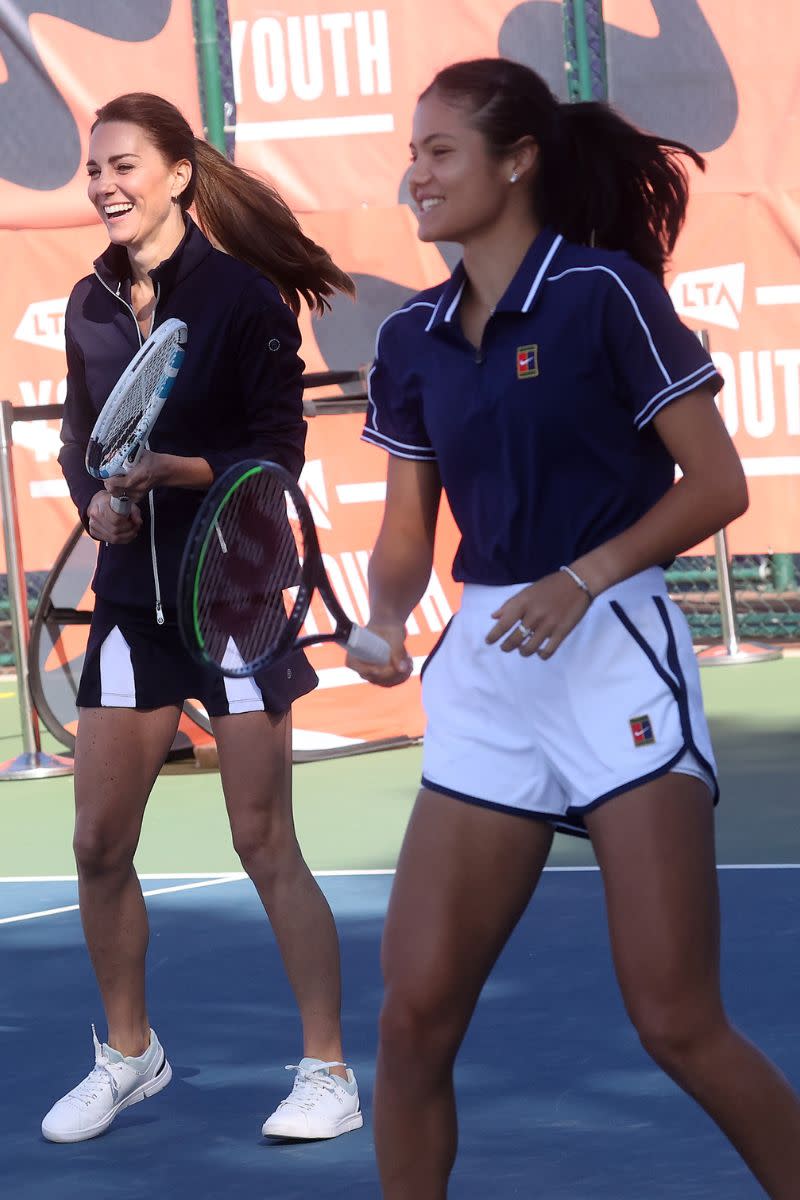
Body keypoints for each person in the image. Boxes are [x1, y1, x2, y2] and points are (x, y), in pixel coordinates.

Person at [348, 57, 800, 1199]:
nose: (416, 175)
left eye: (439, 151)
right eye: (411, 153)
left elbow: (715, 485)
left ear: (517, 160)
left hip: (614, 658)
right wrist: (384, 616)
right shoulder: (410, 338)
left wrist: (582, 577)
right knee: (410, 1023)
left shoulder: (603, 294)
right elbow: (408, 529)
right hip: (488, 683)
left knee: (673, 1020)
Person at [42, 92, 363, 1145]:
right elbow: (82, 441)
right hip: (132, 606)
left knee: (261, 836)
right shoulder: (88, 305)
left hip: (229, 598)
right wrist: (95, 498)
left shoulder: (246, 299)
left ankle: (327, 1071)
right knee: (95, 842)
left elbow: (279, 454)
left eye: (124, 165)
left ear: (178, 174)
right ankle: (131, 1056)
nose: (105, 186)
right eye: (94, 170)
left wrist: (178, 472)